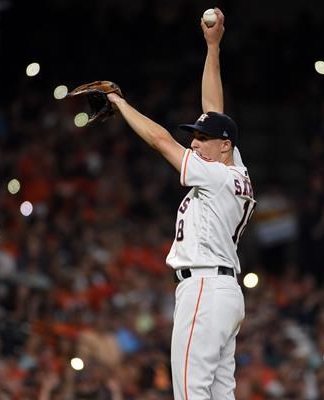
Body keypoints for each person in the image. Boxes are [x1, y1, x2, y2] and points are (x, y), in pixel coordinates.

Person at [106, 8, 255, 399]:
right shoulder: (234, 169)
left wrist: (119, 104)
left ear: (225, 146)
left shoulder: (218, 174)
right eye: (195, 135)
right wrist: (213, 48)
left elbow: (160, 141)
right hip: (226, 292)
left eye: (203, 138)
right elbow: (213, 106)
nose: (194, 141)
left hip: (204, 288)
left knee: (190, 393)